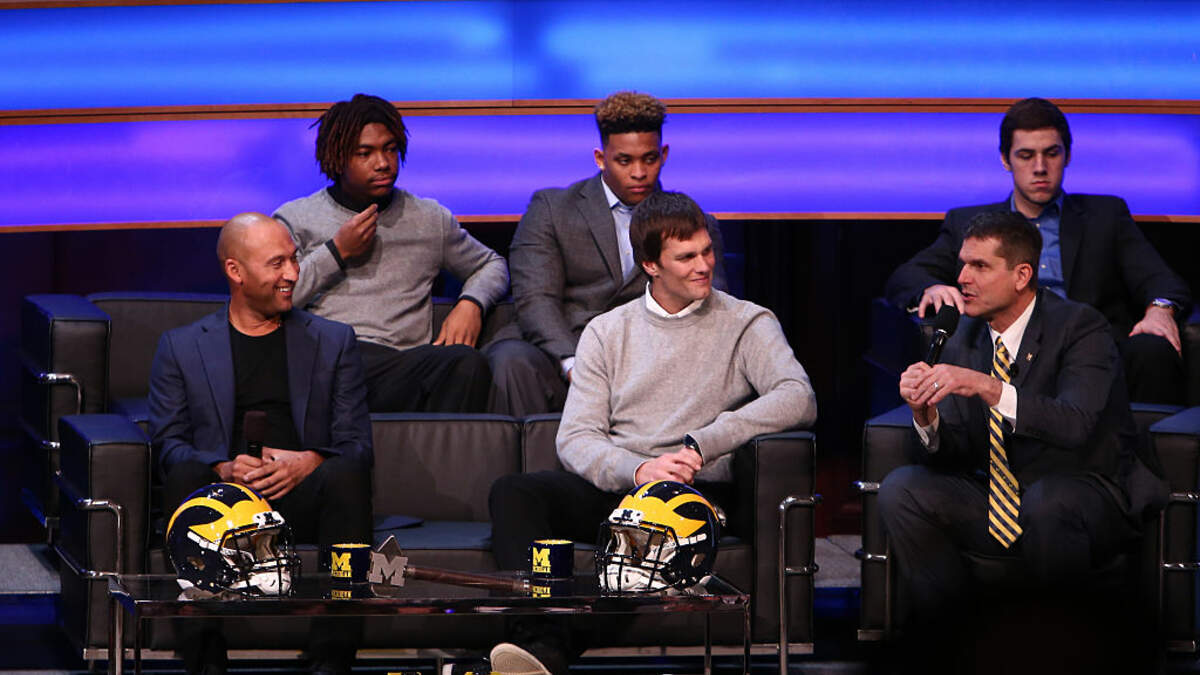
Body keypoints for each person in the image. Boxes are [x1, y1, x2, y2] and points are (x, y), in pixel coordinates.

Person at [486, 191, 816, 675]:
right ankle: (539, 640)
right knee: (514, 492)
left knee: (647, 534)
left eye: (707, 251)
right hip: (626, 485)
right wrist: (638, 469)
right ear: (650, 265)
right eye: (686, 257)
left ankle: (540, 652)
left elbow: (798, 396)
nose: (704, 265)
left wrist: (705, 441)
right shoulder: (607, 331)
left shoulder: (746, 322)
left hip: (693, 494)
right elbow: (576, 437)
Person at [878, 211, 1167, 672]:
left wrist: (988, 387)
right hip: (1004, 496)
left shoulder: (1081, 328)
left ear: (1021, 275)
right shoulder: (963, 335)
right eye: (963, 264)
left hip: (1088, 491)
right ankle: (956, 642)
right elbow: (955, 452)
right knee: (903, 489)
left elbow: (1074, 425)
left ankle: (1055, 656)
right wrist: (924, 413)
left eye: (979, 266)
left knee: (1048, 502)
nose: (962, 278)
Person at [149, 212, 373, 675]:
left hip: (302, 496)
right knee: (186, 476)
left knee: (348, 474)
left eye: (293, 259)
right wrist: (222, 469)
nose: (292, 273)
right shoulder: (181, 347)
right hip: (224, 503)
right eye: (277, 263)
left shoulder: (333, 342)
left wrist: (309, 461)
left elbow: (357, 445)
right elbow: (167, 445)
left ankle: (330, 663)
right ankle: (206, 665)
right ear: (236, 271)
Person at [884, 97, 1191, 404]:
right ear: (1006, 160)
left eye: (1051, 154)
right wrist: (931, 287)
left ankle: (1143, 437)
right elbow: (907, 276)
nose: (1040, 168)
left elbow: (1160, 280)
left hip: (1090, 349)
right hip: (1006, 352)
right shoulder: (971, 223)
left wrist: (1160, 310)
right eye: (1026, 156)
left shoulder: (1105, 216)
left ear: (1067, 155)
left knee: (1152, 348)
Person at [491, 91, 729, 416]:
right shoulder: (552, 209)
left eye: (649, 159)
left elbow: (710, 306)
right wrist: (574, 363)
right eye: (624, 161)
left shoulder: (693, 222)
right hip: (563, 349)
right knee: (511, 361)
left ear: (664, 155)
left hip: (649, 356)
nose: (639, 173)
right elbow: (536, 299)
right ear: (601, 158)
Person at [274, 93, 508, 413]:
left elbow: (492, 264)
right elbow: (275, 298)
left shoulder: (428, 218)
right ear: (337, 158)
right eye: (365, 153)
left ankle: (440, 447)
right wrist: (337, 251)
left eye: (390, 149)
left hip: (404, 366)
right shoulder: (296, 219)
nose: (383, 163)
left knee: (467, 364)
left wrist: (472, 304)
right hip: (331, 360)